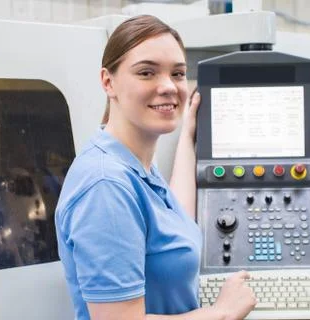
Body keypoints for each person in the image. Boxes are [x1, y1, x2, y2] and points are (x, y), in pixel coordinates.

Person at [55, 15, 256, 320]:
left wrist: (188, 138)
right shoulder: (106, 186)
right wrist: (222, 313)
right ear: (108, 82)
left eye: (177, 74)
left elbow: (173, 221)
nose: (168, 87)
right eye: (147, 72)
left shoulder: (136, 163)